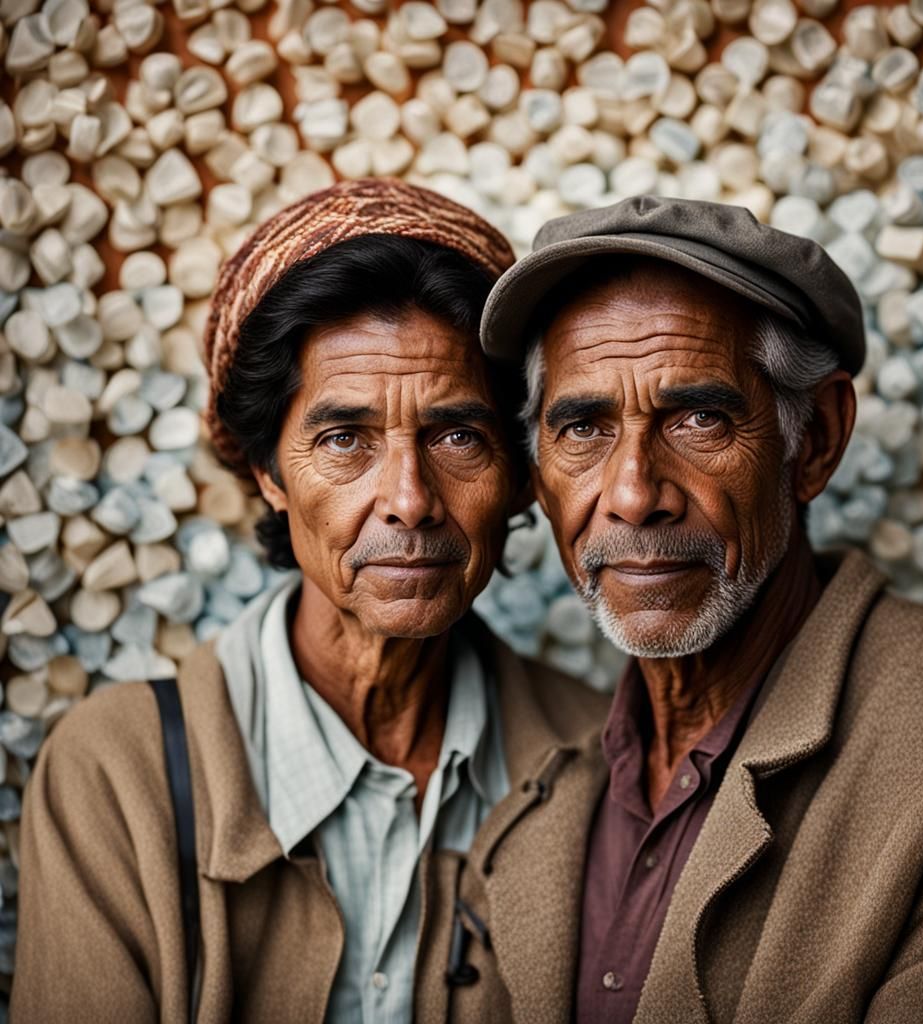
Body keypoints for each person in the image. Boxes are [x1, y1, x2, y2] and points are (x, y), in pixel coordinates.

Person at [11, 179, 609, 1023]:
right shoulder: (118, 776)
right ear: (269, 474)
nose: (409, 499)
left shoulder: (599, 762)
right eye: (343, 439)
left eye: (457, 436)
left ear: (517, 478)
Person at [477, 195, 923, 1023]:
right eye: (584, 427)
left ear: (815, 440)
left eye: (699, 418)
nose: (633, 496)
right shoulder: (550, 758)